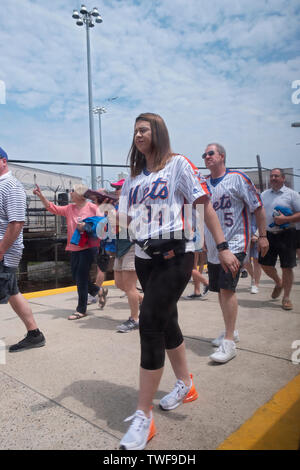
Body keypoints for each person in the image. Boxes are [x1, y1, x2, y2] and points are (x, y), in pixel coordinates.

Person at [118, 113, 240, 450]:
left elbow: (204, 208)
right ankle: (186, 384)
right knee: (168, 322)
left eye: (143, 129)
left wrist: (224, 246)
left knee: (151, 322)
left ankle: (144, 416)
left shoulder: (179, 165)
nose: (138, 135)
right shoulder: (133, 179)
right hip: (145, 258)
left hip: (177, 254)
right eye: (135, 131)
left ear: (157, 132)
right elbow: (128, 221)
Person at [202, 143, 269, 363]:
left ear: (222, 156)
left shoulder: (238, 179)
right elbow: (201, 214)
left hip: (235, 244)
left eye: (210, 153)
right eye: (204, 155)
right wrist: (203, 240)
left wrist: (263, 235)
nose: (206, 157)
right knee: (221, 291)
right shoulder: (203, 184)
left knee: (226, 289)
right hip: (214, 248)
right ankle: (231, 330)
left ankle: (229, 342)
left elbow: (257, 207)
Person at [0, 147, 45, 352]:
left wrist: (1, 251)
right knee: (12, 293)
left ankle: (35, 334)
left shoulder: (11, 186)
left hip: (4, 252)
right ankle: (34, 334)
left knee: (10, 292)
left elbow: (17, 222)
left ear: (3, 161)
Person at [33, 183, 101, 320]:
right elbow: (52, 208)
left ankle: (81, 309)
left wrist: (87, 226)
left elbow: (101, 223)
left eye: (73, 191)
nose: (70, 193)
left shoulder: (92, 207)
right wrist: (41, 196)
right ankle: (96, 291)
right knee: (76, 276)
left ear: (81, 195)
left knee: (81, 277)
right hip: (74, 246)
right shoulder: (70, 208)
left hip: (89, 247)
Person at [258, 168, 300, 310]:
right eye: (271, 176)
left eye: (276, 176)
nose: (273, 178)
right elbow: (259, 214)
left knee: (287, 267)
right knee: (264, 264)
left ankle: (286, 298)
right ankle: (278, 282)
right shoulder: (264, 195)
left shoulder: (292, 195)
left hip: (287, 234)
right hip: (268, 234)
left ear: (283, 178)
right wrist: (258, 234)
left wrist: (286, 219)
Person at [244, 214, 261, 294]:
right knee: (245, 262)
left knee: (256, 261)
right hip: (245, 237)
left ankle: (256, 284)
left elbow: (263, 221)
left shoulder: (258, 208)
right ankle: (253, 278)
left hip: (257, 237)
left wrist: (256, 235)